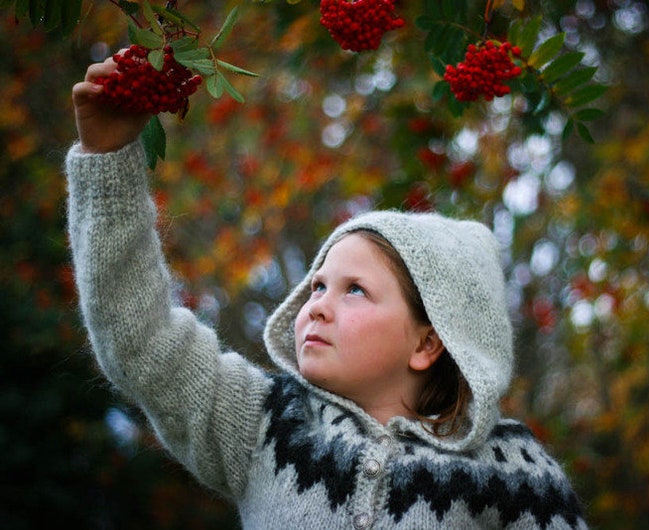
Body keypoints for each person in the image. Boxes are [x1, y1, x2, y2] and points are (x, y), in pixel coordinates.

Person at [67, 53, 588, 529]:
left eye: (355, 290)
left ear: (428, 343)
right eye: (317, 285)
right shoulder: (263, 424)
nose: (317, 306)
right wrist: (108, 158)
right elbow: (143, 341)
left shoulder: (517, 474)